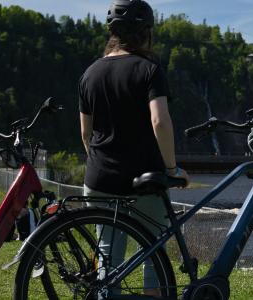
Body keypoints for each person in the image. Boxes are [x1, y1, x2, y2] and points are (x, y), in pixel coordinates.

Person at [78, 0, 189, 297]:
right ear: (146, 34)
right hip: (144, 180)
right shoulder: (150, 69)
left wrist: (103, 163)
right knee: (153, 254)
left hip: (99, 179)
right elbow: (160, 121)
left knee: (107, 257)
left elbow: (86, 134)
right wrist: (171, 169)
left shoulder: (89, 74)